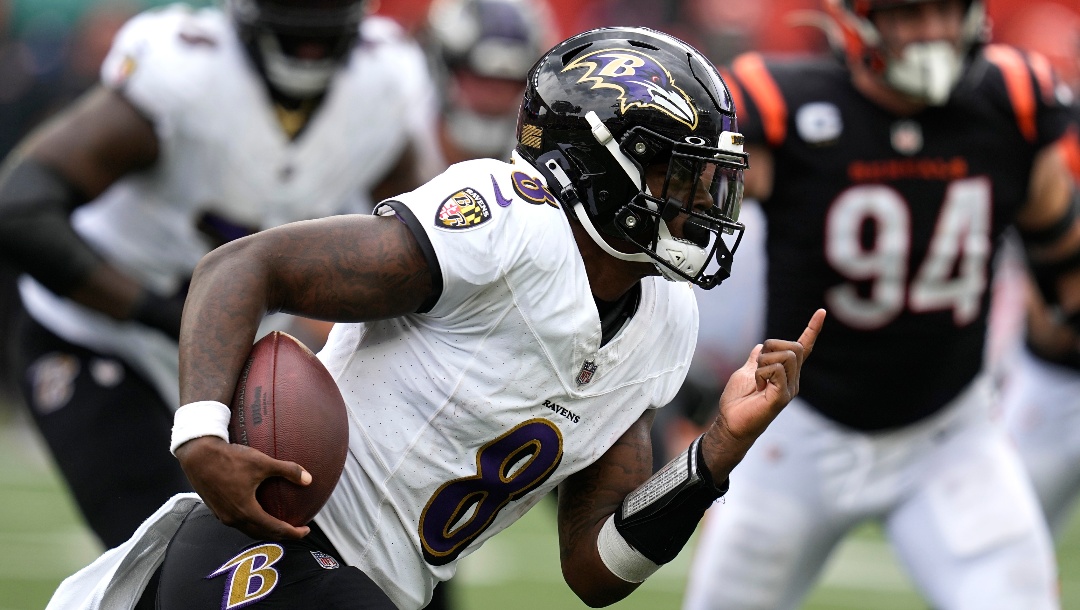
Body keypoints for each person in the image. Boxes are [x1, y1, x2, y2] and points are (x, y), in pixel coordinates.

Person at [46, 26, 826, 610]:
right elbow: (243, 267)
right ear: (599, 161)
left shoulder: (665, 321)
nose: (701, 198)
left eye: (706, 176)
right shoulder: (506, 225)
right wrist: (201, 434)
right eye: (677, 172)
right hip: (267, 546)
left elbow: (595, 569)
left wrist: (715, 454)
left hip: (373, 587)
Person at [682, 0, 1080, 609]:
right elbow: (686, 214)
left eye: (948, 12)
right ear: (856, 20)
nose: (935, 33)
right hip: (798, 431)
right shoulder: (786, 105)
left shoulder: (1011, 104)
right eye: (910, 15)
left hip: (949, 434)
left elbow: (1064, 255)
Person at [0, 0, 437, 550]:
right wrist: (160, 311)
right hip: (105, 340)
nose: (309, 41)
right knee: (167, 556)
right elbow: (21, 209)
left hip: (246, 364)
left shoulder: (385, 80)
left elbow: (414, 244)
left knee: (349, 546)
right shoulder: (186, 73)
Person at [420, 0, 556, 168]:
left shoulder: (544, 160)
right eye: (480, 79)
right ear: (445, 71)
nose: (494, 95)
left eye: (509, 82)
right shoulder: (402, 141)